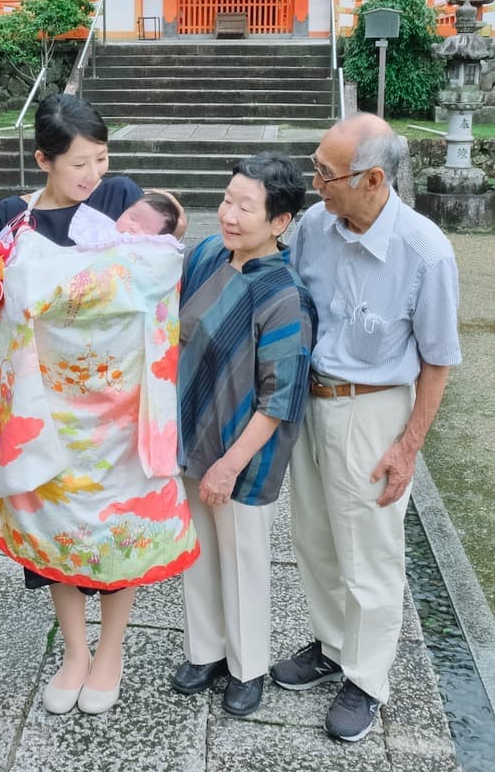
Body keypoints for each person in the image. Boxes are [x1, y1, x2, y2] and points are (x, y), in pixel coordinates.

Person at [0, 94, 198, 717]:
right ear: (43, 159)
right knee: (57, 525)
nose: (91, 176)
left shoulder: (121, 200)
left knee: (117, 527)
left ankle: (110, 651)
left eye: (101, 159)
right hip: (46, 408)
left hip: (118, 409)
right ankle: (74, 652)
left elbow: (155, 271)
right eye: (78, 164)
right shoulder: (15, 217)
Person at [269, 114, 461, 742]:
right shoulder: (314, 227)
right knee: (315, 538)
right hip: (312, 399)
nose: (314, 181)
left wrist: (408, 448)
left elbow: (438, 361)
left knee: (371, 553)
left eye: (325, 172)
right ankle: (329, 645)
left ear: (373, 179)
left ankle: (368, 678)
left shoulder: (426, 250)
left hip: (375, 406)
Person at [171, 153, 315, 717]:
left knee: (243, 557)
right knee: (198, 553)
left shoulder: (285, 295)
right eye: (228, 200)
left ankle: (248, 665)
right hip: (193, 435)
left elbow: (281, 398)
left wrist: (230, 464)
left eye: (245, 207)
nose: (228, 214)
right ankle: (205, 650)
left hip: (244, 453)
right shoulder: (208, 255)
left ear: (280, 223)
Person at [115, 191, 183, 237]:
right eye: (133, 218)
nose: (134, 228)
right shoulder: (106, 227)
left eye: (145, 229)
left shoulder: (149, 253)